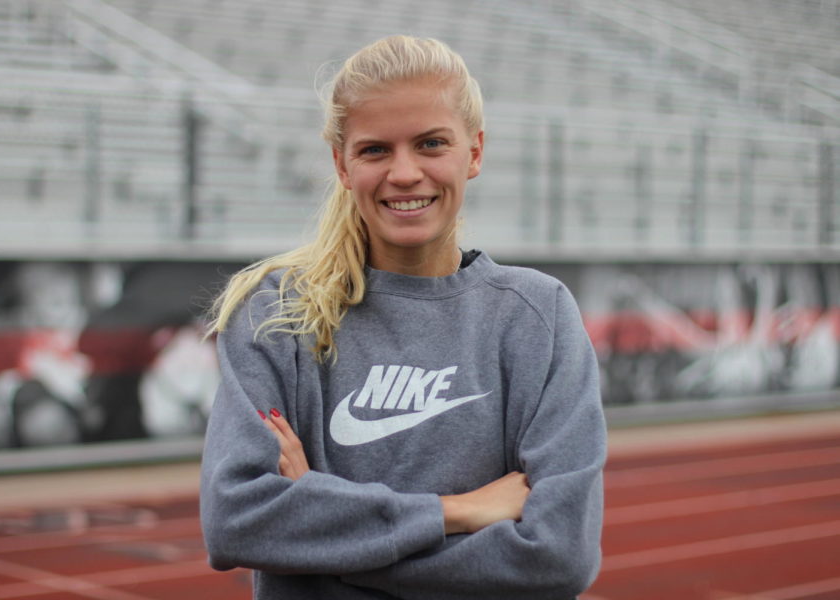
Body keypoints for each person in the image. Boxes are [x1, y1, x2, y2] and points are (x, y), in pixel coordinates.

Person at [200, 35, 606, 600]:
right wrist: (456, 512)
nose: (405, 173)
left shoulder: (537, 314)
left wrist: (322, 537)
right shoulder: (277, 314)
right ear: (342, 164)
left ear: (476, 151)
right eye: (374, 151)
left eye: (431, 143)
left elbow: (558, 554)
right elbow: (236, 520)